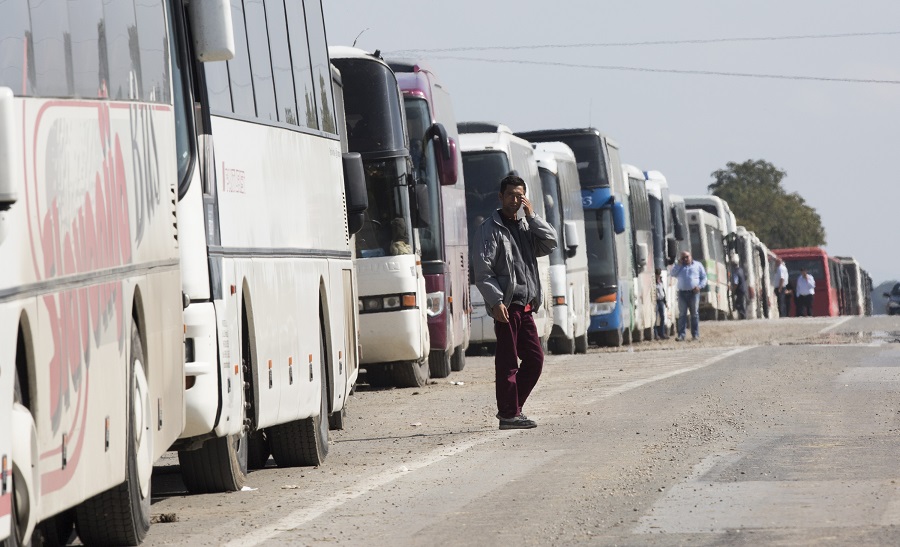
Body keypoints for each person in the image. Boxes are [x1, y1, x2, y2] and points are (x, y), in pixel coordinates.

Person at [472, 175, 558, 430]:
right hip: (507, 307)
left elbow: (551, 242)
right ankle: (510, 414)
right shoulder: (489, 229)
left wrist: (533, 217)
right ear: (501, 196)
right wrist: (496, 301)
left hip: (527, 306)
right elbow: (483, 271)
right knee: (508, 362)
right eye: (510, 195)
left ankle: (510, 410)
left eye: (520, 196)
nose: (515, 200)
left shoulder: (525, 227)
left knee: (535, 359)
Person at [670, 250, 707, 341]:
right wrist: (678, 264)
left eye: (687, 257)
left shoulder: (698, 265)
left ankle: (695, 335)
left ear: (691, 256)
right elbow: (672, 274)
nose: (685, 259)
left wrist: (700, 286)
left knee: (694, 314)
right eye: (683, 258)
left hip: (694, 293)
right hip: (682, 293)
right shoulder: (679, 266)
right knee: (682, 314)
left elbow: (704, 278)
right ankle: (681, 335)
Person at [654, 269, 668, 340]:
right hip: (656, 301)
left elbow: (663, 291)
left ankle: (662, 333)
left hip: (661, 300)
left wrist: (665, 302)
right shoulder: (653, 282)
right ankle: (656, 334)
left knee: (662, 317)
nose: (658, 276)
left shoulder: (661, 281)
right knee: (655, 318)